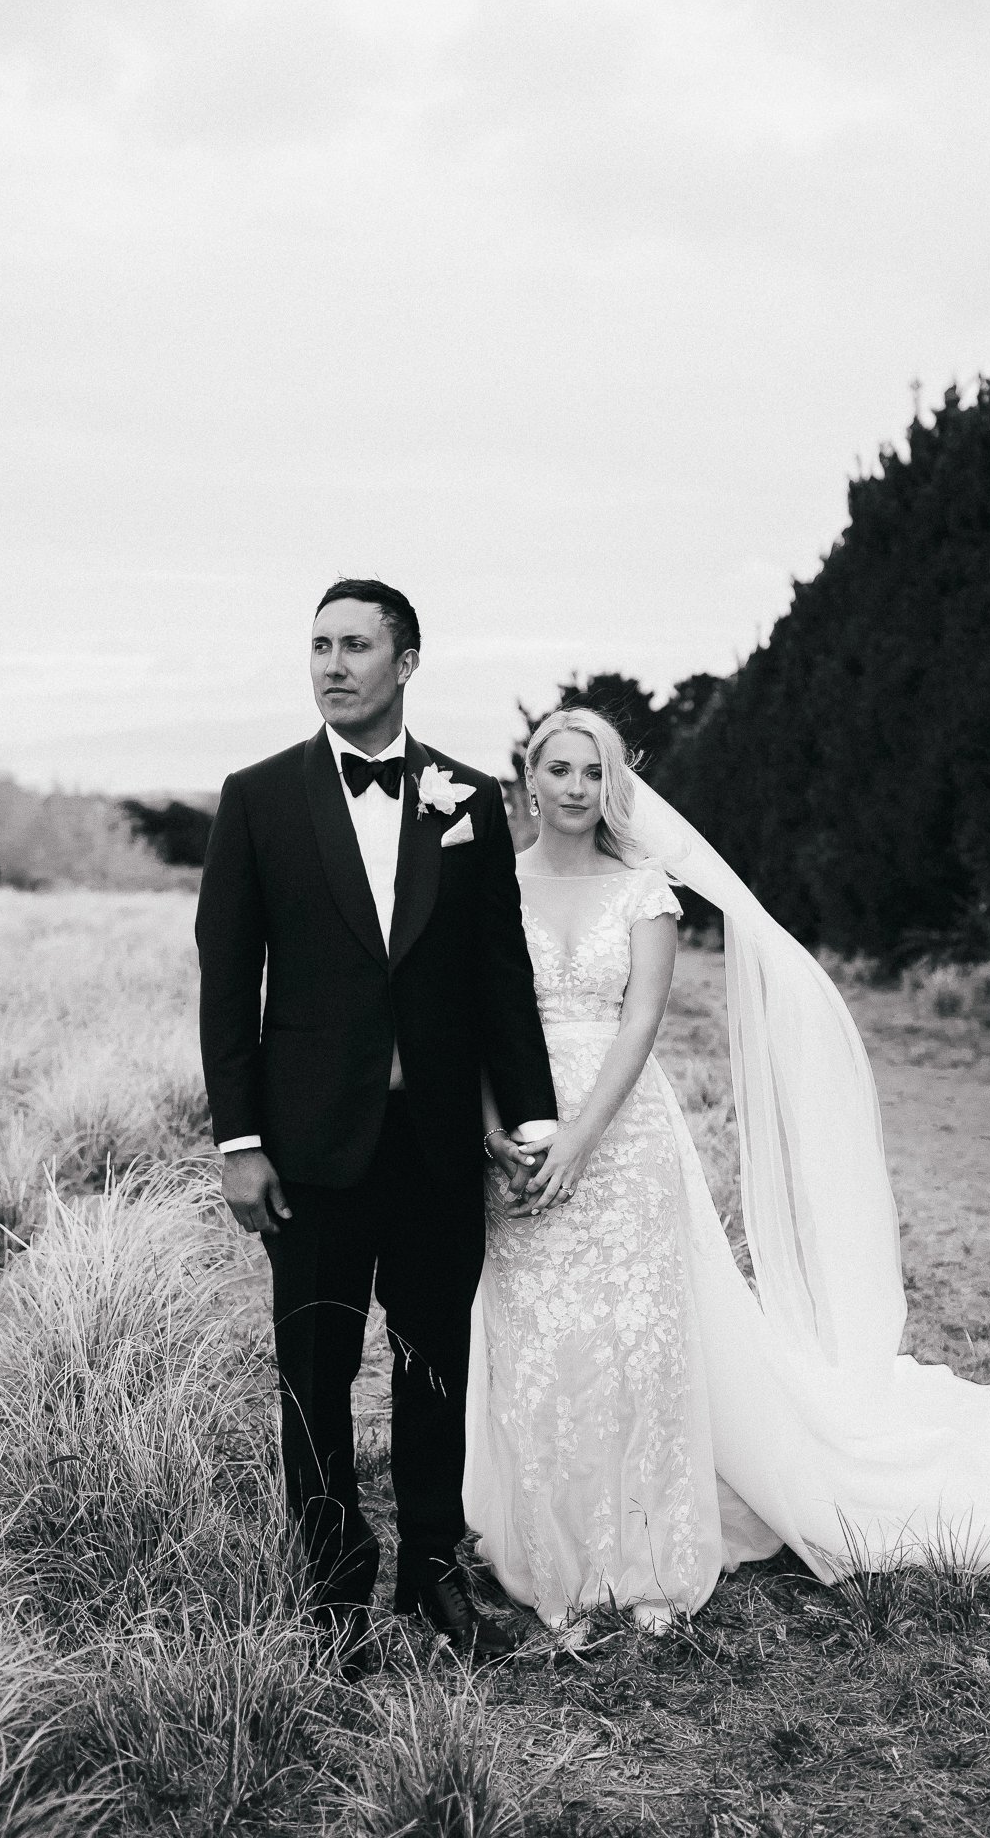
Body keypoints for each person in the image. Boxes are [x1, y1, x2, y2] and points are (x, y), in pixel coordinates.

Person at [465, 707, 990, 1628]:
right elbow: (477, 1017)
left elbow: (640, 1023)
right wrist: (502, 1136)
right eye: (559, 769)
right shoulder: (490, 886)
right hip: (522, 1139)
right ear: (528, 777)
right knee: (538, 1340)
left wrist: (579, 1139)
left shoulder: (642, 889)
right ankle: (552, 1551)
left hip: (620, 1137)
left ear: (615, 785)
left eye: (593, 772)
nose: (575, 788)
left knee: (639, 1343)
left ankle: (645, 1555)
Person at [196, 579, 558, 1673]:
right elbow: (228, 980)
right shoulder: (256, 796)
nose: (332, 662)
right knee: (312, 1367)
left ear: (407, 660)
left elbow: (500, 969)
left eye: (357, 644)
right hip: (308, 1145)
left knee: (432, 1358)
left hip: (437, 1138)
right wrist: (238, 1140)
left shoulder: (468, 797)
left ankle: (434, 1572)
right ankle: (330, 1586)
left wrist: (532, 1115)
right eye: (319, 644)